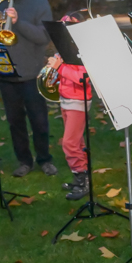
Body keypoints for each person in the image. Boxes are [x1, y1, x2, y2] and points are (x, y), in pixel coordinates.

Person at [0, 0, 56, 178]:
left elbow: (43, 37)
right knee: (15, 123)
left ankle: (45, 159)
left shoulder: (39, 3)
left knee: (39, 120)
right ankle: (24, 161)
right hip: (6, 73)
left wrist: (18, 21)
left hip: (32, 73)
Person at [45, 12, 93, 201]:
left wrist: (60, 67)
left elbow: (83, 78)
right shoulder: (64, 49)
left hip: (78, 101)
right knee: (78, 143)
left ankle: (83, 180)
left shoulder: (83, 51)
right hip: (66, 99)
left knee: (70, 143)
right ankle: (81, 177)